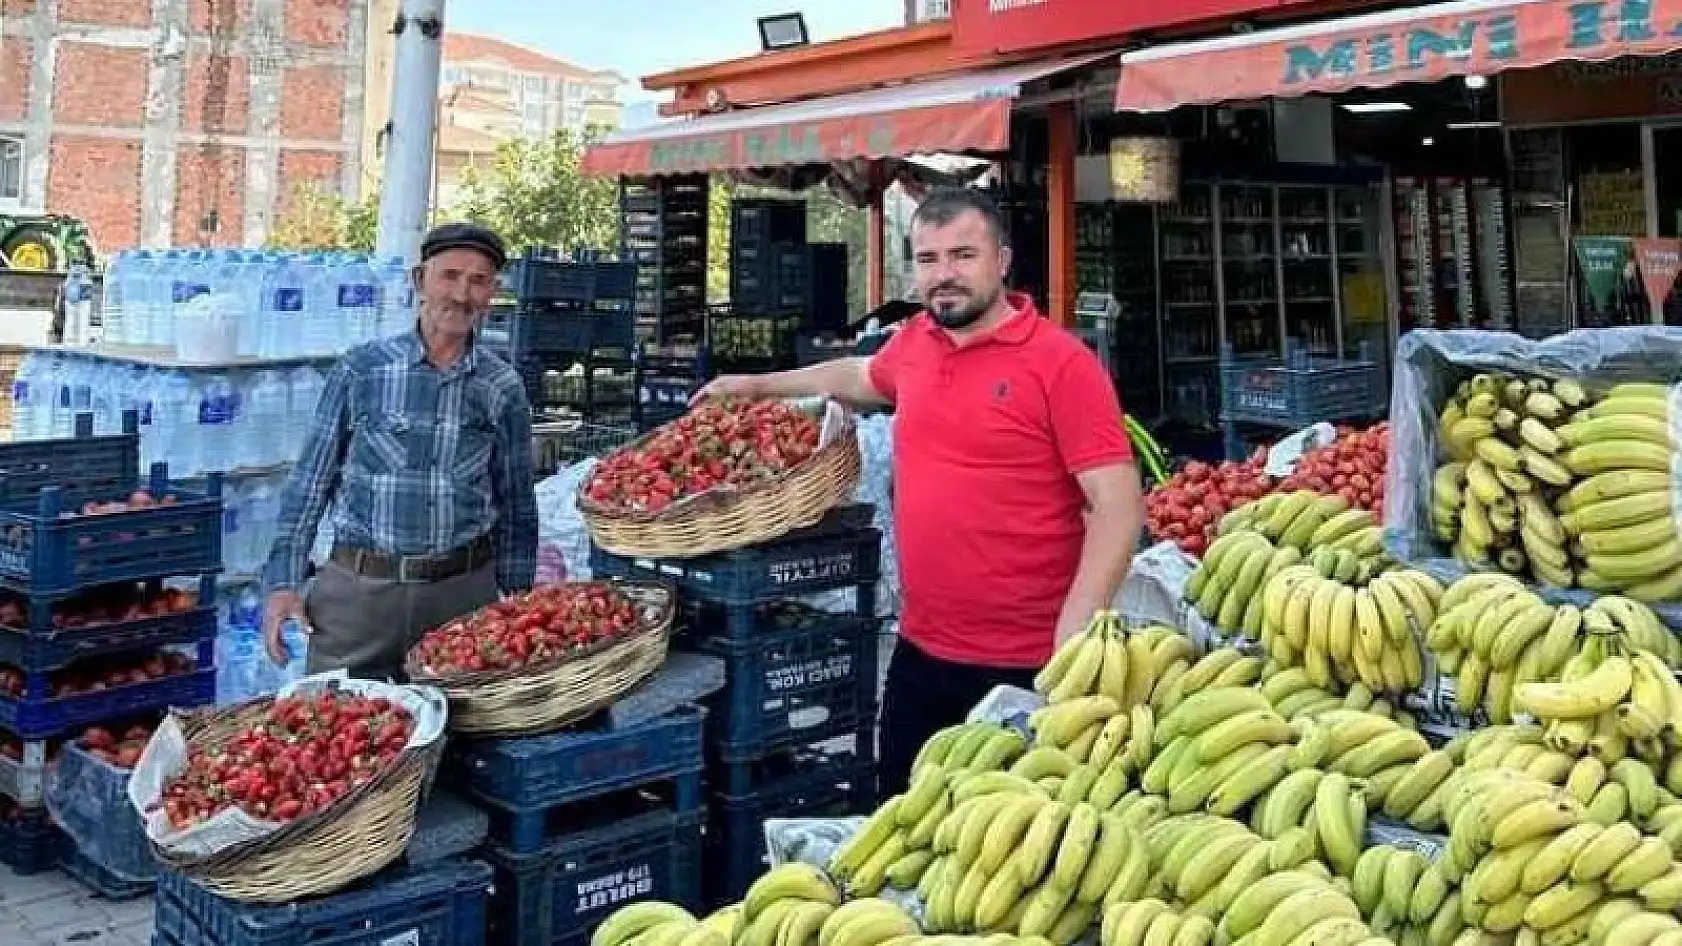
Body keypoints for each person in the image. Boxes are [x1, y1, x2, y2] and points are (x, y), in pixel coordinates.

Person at [695, 188, 1144, 795]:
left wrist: (1074, 635)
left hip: (1029, 663)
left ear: (1003, 260)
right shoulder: (914, 345)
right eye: (928, 259)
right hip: (922, 651)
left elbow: (1118, 506)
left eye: (963, 255)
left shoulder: (1061, 363)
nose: (944, 275)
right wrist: (753, 385)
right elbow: (854, 374)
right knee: (902, 826)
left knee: (1004, 852)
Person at [260, 222, 539, 681]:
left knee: (460, 736)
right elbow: (310, 486)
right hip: (360, 596)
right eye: (449, 276)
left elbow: (517, 505)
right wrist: (284, 584)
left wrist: (517, 595)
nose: (461, 294)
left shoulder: (501, 386)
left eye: (478, 281)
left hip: (461, 598)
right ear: (419, 281)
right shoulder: (363, 370)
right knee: (338, 728)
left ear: (492, 293)